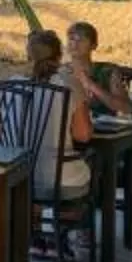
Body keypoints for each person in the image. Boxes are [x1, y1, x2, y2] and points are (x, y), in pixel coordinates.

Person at [23, 28, 94, 198]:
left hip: (20, 177)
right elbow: (83, 135)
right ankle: (70, 217)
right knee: (95, 161)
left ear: (28, 56)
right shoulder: (68, 85)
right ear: (59, 55)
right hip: (59, 177)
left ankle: (36, 215)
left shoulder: (13, 87)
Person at [64, 19, 129, 118]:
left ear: (93, 45)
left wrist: (90, 84)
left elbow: (125, 108)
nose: (75, 44)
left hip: (103, 129)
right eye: (71, 39)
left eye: (81, 40)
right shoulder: (60, 71)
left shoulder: (107, 71)